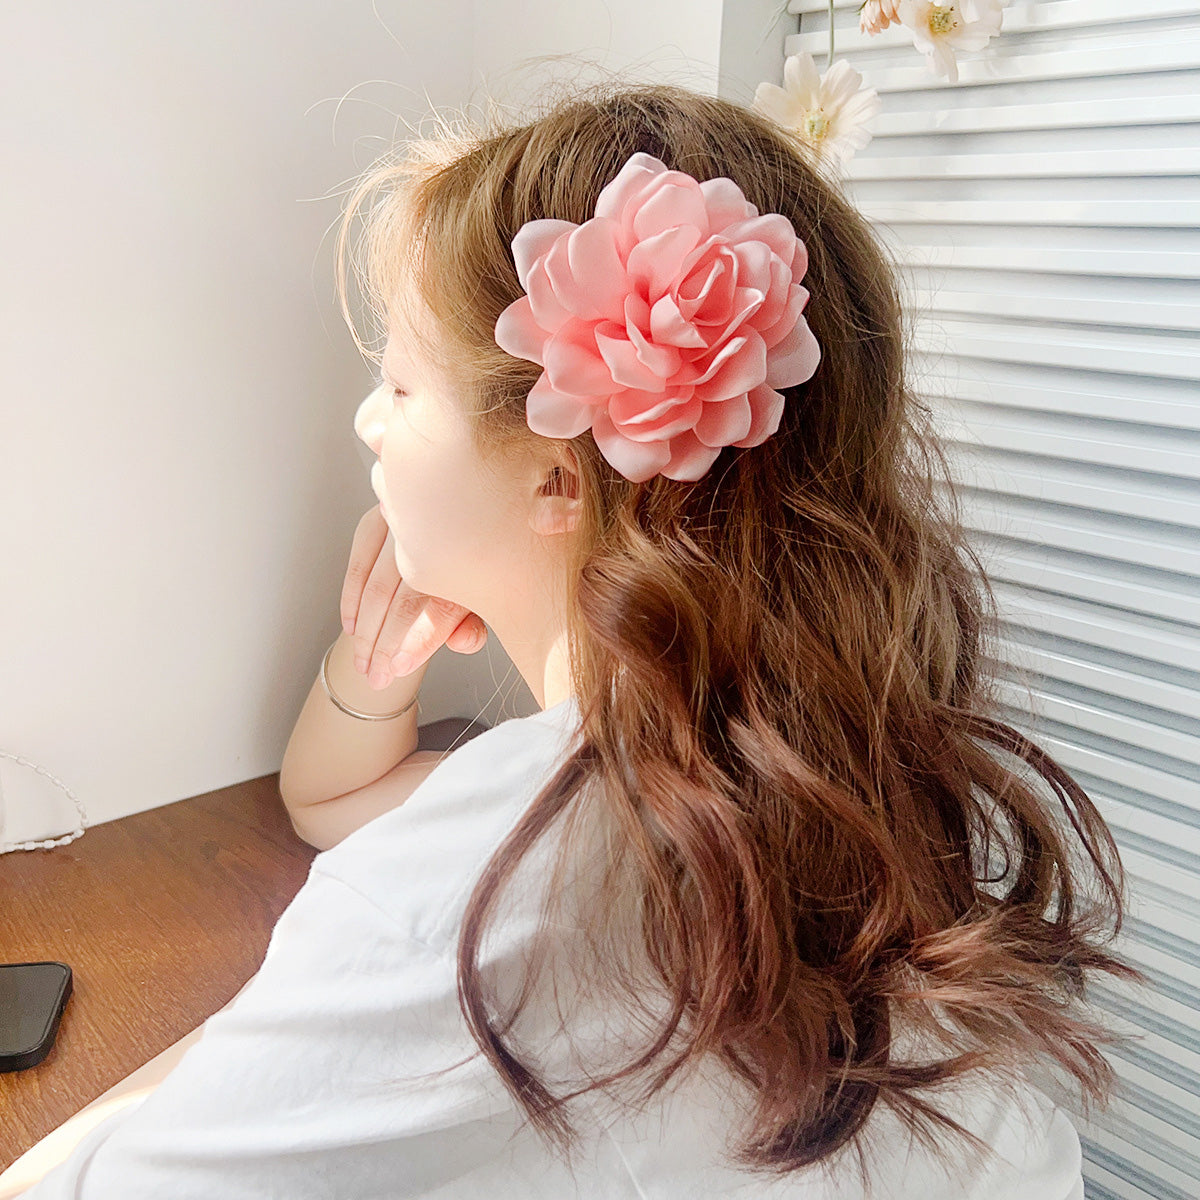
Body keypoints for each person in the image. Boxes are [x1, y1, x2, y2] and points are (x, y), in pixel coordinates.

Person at [13, 79, 1141, 1198]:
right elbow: (335, 800)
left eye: (400, 386)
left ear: (559, 473)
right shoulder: (798, 763)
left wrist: (203, 1069)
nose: (368, 419)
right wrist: (378, 653)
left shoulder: (467, 903)